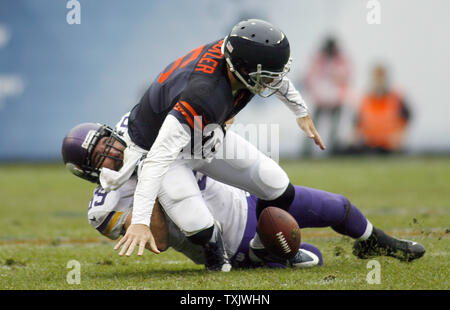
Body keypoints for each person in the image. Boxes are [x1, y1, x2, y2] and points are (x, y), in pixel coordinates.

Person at [96, 19, 326, 271]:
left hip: (203, 134)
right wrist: (140, 221)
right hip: (162, 149)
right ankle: (217, 261)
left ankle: (261, 251)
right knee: (199, 226)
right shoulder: (203, 94)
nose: (272, 82)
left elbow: (275, 79)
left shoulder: (236, 57)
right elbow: (158, 158)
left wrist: (300, 111)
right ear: (239, 68)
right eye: (265, 77)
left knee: (279, 187)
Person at [61, 118, 426, 270]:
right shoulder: (104, 207)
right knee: (311, 256)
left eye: (109, 143)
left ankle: (375, 242)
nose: (113, 153)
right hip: (233, 242)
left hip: (243, 197)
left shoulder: (139, 131)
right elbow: (157, 239)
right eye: (101, 157)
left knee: (338, 206)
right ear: (89, 173)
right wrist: (146, 176)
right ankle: (262, 257)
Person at [303, 36, 351, 156]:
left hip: (335, 100)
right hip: (320, 99)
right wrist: (316, 93)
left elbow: (345, 77)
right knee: (312, 127)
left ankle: (333, 151)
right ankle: (306, 151)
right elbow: (310, 77)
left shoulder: (341, 60)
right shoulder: (318, 59)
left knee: (333, 129)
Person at [353, 64, 411, 154]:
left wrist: (400, 137)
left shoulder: (396, 99)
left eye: (381, 77)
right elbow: (356, 125)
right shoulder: (365, 100)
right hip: (369, 145)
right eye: (376, 77)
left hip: (390, 146)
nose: (379, 81)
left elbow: (406, 120)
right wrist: (357, 138)